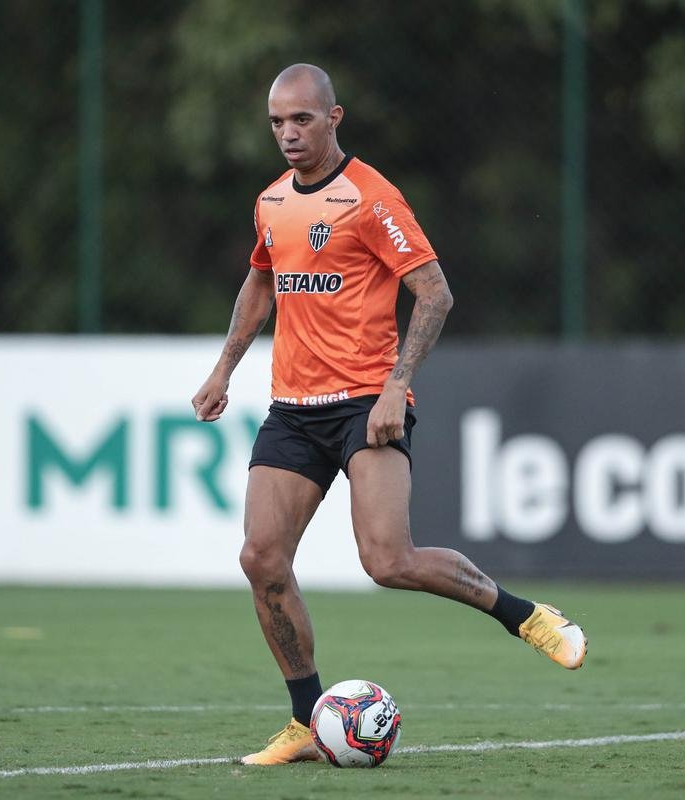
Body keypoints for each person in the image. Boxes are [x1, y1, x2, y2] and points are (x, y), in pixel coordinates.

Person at [192, 63, 587, 766]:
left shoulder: (372, 199)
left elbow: (434, 295)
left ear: (334, 118)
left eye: (302, 119)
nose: (288, 132)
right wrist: (224, 369)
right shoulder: (272, 202)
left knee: (388, 560)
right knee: (261, 557)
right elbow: (261, 279)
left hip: (364, 405)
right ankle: (304, 721)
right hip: (293, 409)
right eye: (278, 121)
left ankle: (526, 616)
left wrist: (394, 387)